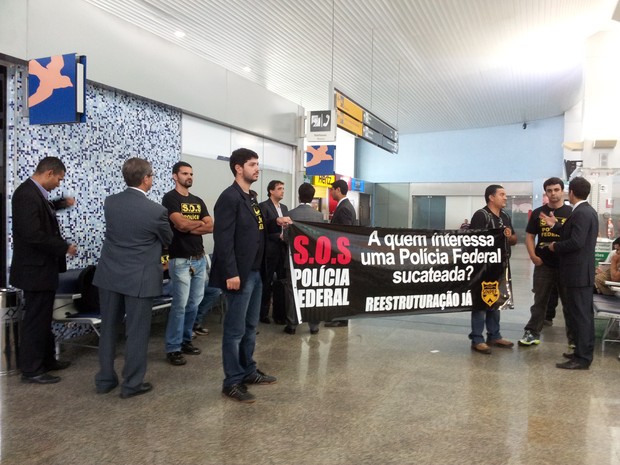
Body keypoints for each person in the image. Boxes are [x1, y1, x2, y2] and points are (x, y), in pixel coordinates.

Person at [210, 148, 291, 403]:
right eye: (253, 164)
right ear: (238, 168)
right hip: (240, 275)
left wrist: (273, 223)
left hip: (256, 273)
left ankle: (248, 371)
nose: (257, 168)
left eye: (258, 164)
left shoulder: (251, 198)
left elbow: (253, 229)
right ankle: (231, 381)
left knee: (250, 327)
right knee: (234, 331)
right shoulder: (229, 198)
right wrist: (231, 273)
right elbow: (223, 240)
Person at [93, 158, 173, 397]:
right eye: (152, 176)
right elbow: (167, 239)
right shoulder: (157, 211)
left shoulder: (111, 203)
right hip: (140, 278)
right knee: (136, 332)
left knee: (108, 329)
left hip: (108, 275)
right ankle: (132, 384)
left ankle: (105, 379)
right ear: (146, 178)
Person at [10, 156, 78, 384]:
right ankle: (31, 369)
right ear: (49, 173)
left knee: (43, 317)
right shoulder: (26, 194)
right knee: (35, 320)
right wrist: (64, 247)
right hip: (34, 270)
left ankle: (47, 359)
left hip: (42, 270)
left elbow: (42, 213)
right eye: (59, 179)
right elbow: (32, 234)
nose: (59, 183)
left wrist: (60, 204)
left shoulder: (36, 194)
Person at [542, 177, 598, 370]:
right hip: (579, 273)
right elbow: (573, 234)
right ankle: (580, 352)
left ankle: (582, 358)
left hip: (578, 274)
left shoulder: (582, 212)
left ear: (571, 192)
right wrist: (556, 226)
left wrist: (555, 246)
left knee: (581, 316)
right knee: (578, 315)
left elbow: (576, 242)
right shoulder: (584, 211)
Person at [162, 161, 213, 366]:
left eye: (191, 173)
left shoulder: (198, 200)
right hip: (180, 259)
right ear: (175, 176)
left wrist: (192, 226)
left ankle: (185, 340)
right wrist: (194, 224)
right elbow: (179, 224)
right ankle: (173, 347)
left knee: (194, 303)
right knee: (180, 305)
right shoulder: (170, 198)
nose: (189, 176)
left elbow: (210, 226)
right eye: (184, 173)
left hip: (199, 259)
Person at [518, 177, 573, 347]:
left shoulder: (572, 212)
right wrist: (533, 256)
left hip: (566, 265)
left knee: (569, 303)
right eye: (549, 191)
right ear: (546, 193)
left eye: (556, 190)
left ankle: (575, 338)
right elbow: (529, 236)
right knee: (539, 301)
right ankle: (532, 333)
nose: (553, 194)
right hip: (544, 264)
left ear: (563, 191)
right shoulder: (538, 213)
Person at [469, 184, 517, 354]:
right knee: (481, 303)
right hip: (483, 268)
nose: (505, 197)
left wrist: (509, 236)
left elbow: (514, 239)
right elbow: (474, 241)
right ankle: (477, 338)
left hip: (500, 267)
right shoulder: (481, 216)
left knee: (495, 301)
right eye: (502, 194)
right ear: (491, 197)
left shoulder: (504, 216)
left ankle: (494, 335)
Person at [284, 183, 324, 335]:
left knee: (292, 292)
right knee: (313, 291)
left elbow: (287, 238)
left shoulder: (290, 214)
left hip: (294, 259)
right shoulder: (319, 216)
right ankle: (314, 325)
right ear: (312, 197)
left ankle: (292, 324)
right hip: (313, 261)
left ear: (298, 195)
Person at [324, 179, 357, 328]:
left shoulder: (343, 208)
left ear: (338, 190)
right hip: (343, 253)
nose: (331, 192)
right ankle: (338, 316)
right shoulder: (346, 206)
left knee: (340, 286)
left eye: (332, 189)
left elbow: (344, 234)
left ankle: (341, 318)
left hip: (341, 254)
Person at [259, 180, 289, 325]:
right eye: (279, 188)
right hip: (270, 250)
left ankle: (280, 313)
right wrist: (278, 236)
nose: (282, 191)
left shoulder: (284, 207)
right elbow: (262, 230)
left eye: (283, 188)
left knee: (282, 282)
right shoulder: (263, 207)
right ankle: (263, 313)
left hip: (283, 250)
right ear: (271, 191)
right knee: (266, 282)